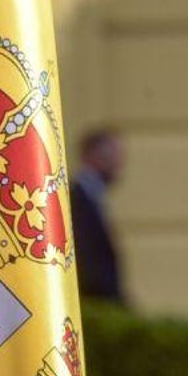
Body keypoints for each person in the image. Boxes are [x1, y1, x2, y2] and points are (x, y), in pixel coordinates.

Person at [70, 128, 125, 302]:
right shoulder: (76, 200)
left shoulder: (92, 197)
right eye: (114, 155)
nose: (119, 164)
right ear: (93, 155)